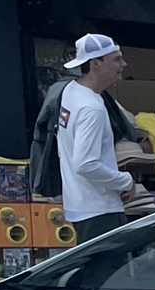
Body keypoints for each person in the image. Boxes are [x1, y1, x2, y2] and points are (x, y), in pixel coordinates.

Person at [42, 35, 139, 241]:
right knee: (107, 272)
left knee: (93, 270)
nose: (124, 64)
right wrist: (125, 181)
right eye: (116, 59)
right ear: (95, 64)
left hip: (80, 205)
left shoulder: (70, 92)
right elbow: (86, 164)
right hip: (100, 209)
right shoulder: (91, 107)